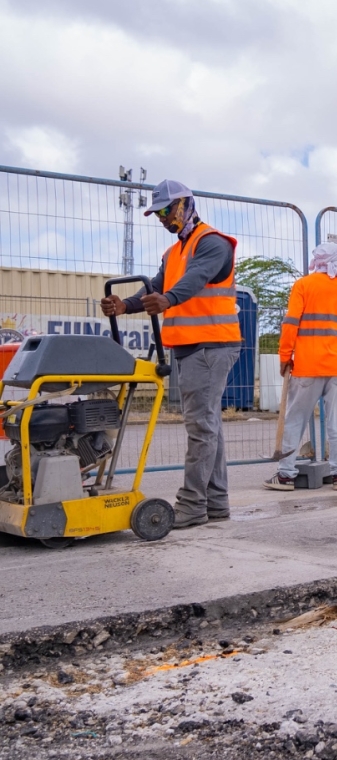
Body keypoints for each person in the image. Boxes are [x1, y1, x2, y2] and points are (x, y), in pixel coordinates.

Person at [99, 180, 240, 529]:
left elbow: (194, 279)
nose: (162, 218)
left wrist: (170, 300)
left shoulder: (211, 242)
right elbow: (157, 287)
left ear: (184, 205)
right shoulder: (174, 251)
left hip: (211, 345)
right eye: (157, 213)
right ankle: (216, 502)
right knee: (209, 426)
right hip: (193, 347)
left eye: (166, 210)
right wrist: (125, 305)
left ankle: (192, 505)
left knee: (201, 427)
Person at [264, 243, 337, 492]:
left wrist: (285, 356)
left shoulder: (304, 285)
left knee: (295, 419)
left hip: (307, 364)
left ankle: (286, 475)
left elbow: (290, 324)